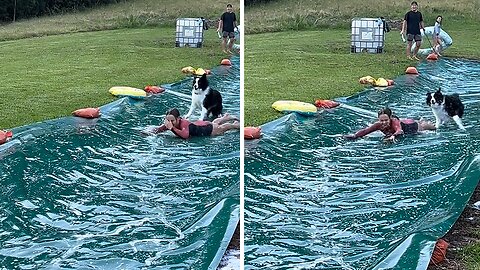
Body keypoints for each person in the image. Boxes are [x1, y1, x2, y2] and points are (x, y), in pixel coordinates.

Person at [344, 107, 436, 142]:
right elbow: (365, 131)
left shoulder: (394, 121)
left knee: (433, 127)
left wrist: (393, 136)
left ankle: (425, 122)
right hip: (403, 128)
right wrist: (355, 136)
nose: (383, 123)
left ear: (390, 117)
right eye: (381, 120)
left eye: (386, 120)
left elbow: (399, 130)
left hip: (413, 127)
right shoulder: (378, 125)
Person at [151, 108, 240, 139]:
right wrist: (149, 133)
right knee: (215, 123)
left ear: (178, 119)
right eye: (168, 120)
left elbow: (185, 136)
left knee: (222, 128)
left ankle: (235, 125)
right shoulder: (171, 124)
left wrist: (172, 128)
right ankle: (226, 117)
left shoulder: (183, 123)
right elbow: (159, 130)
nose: (169, 123)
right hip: (200, 124)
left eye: (172, 120)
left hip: (207, 129)